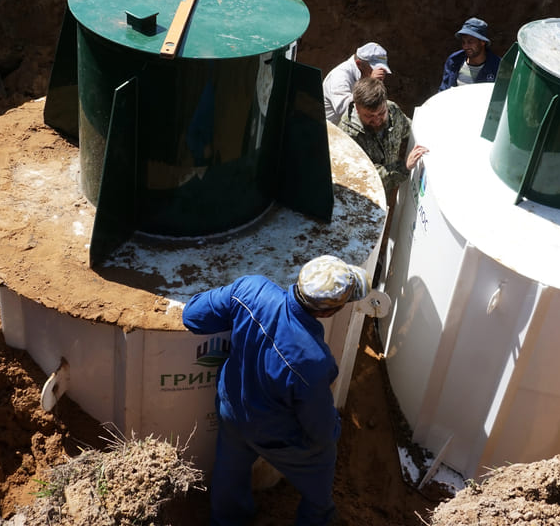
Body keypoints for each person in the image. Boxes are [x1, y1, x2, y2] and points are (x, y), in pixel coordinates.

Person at [181, 255, 372, 526]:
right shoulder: (314, 361)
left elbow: (193, 316)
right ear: (328, 313)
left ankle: (227, 520)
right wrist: (334, 430)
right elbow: (319, 429)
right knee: (322, 461)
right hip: (274, 434)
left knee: (230, 471)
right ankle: (317, 518)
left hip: (232, 409)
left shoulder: (251, 289)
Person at [339, 76, 427, 199]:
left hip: (386, 191)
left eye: (381, 113)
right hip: (361, 198)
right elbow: (364, 175)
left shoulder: (392, 111)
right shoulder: (348, 134)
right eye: (369, 116)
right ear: (357, 109)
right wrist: (404, 167)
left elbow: (409, 128)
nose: (377, 120)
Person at [322, 42, 390, 124]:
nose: (378, 72)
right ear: (359, 64)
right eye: (374, 68)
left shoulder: (365, 74)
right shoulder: (339, 76)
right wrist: (370, 84)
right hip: (331, 129)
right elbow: (344, 109)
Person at [439, 17, 500, 91]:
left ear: (482, 42)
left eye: (470, 42)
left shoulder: (498, 66)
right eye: (463, 42)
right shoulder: (454, 61)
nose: (465, 46)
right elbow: (444, 91)